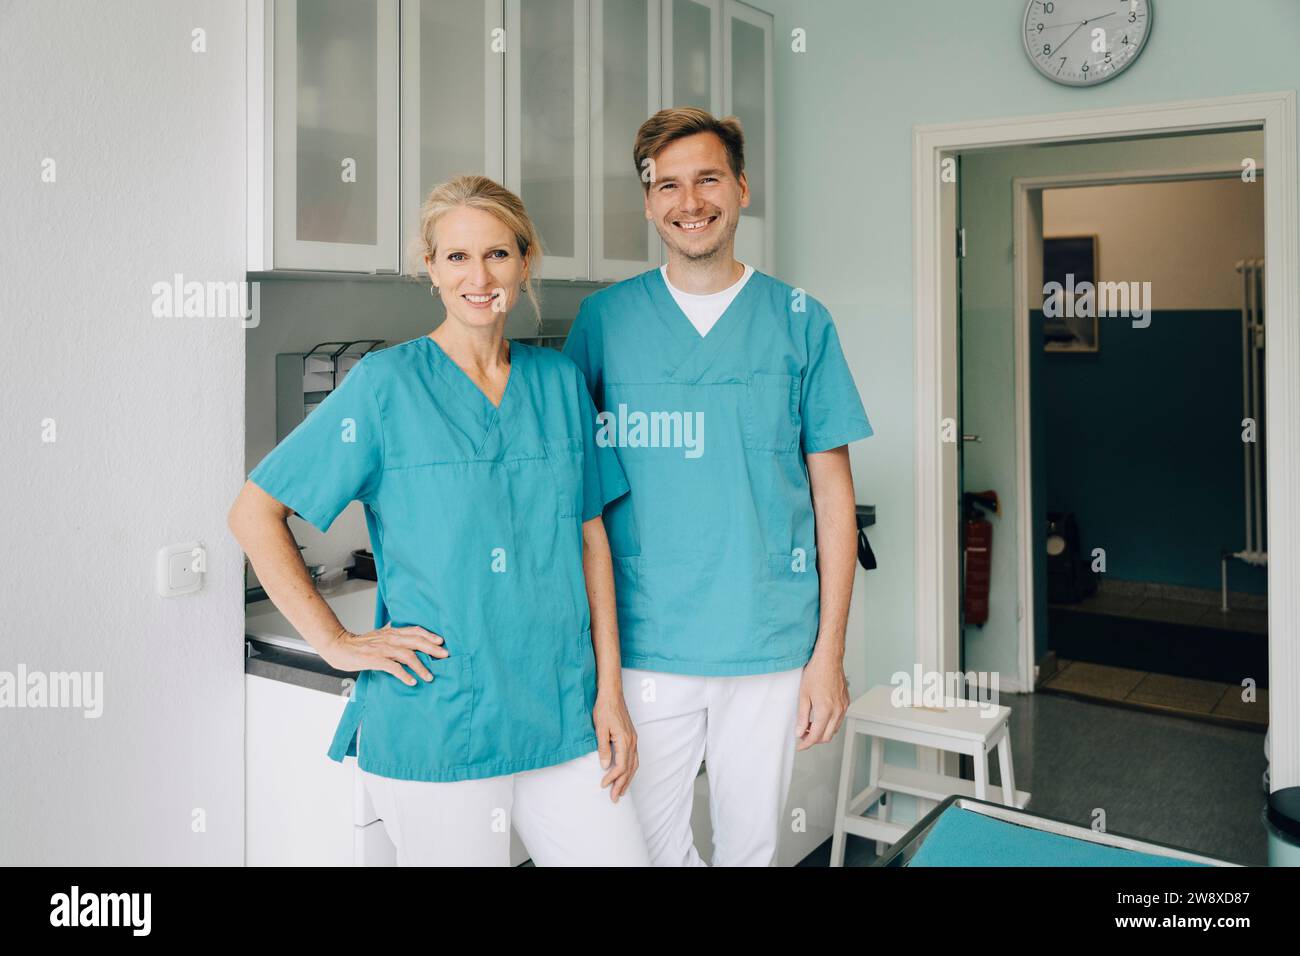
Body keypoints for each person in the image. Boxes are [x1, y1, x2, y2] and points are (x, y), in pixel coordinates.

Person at [228, 175, 649, 867]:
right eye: (456, 257)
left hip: (561, 710)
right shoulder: (384, 385)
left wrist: (610, 693)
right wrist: (335, 641)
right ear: (430, 268)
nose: (478, 276)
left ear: (525, 260)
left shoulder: (559, 382)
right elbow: (254, 512)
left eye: (497, 254)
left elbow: (589, 538)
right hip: (441, 716)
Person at [563, 108, 873, 866]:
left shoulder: (801, 321)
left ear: (740, 187)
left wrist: (827, 655)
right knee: (642, 844)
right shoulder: (604, 321)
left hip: (767, 639)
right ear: (647, 202)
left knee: (751, 845)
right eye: (667, 185)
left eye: (707, 178)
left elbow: (833, 497)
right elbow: (570, 492)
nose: (689, 201)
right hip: (644, 641)